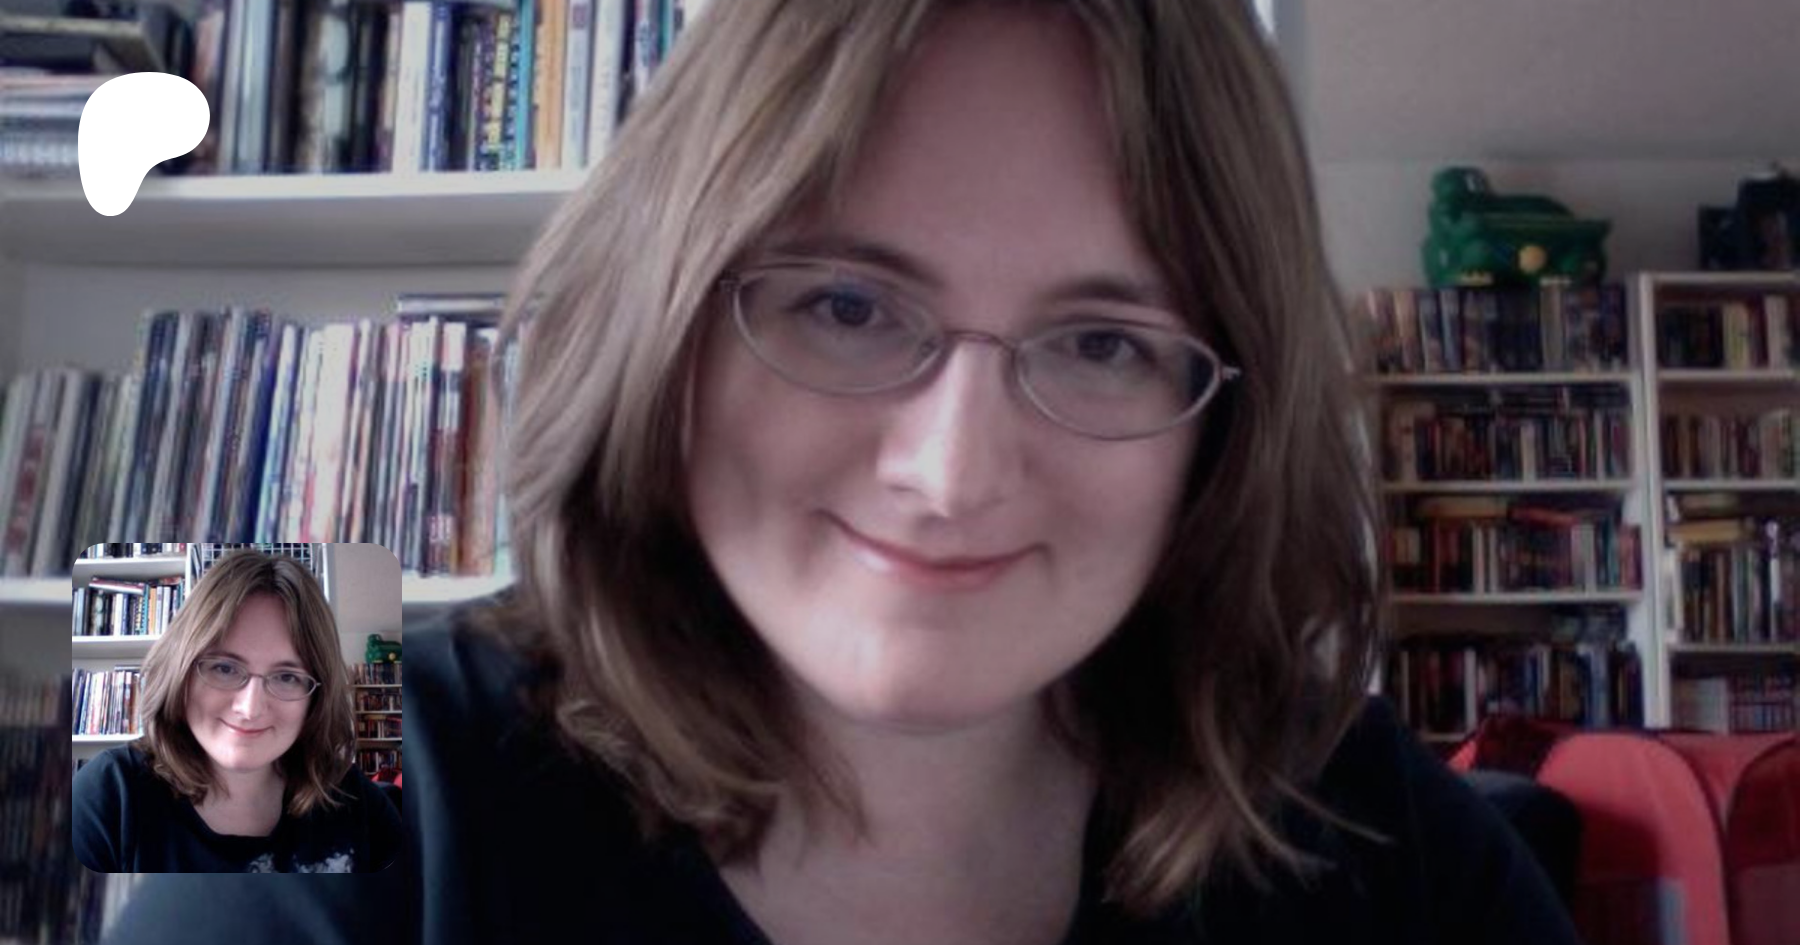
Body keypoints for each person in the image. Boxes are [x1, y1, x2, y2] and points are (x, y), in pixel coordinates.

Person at [105, 0, 1579, 941]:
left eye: (1102, 344)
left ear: (1223, 421)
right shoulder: (313, 761)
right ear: (669, 326)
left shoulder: (1362, 826)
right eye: (848, 308)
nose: (951, 473)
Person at [73, 549, 402, 873]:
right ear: (181, 671)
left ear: (316, 697)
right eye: (225, 669)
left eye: (287, 677)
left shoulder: (355, 801)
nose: (250, 708)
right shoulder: (109, 797)